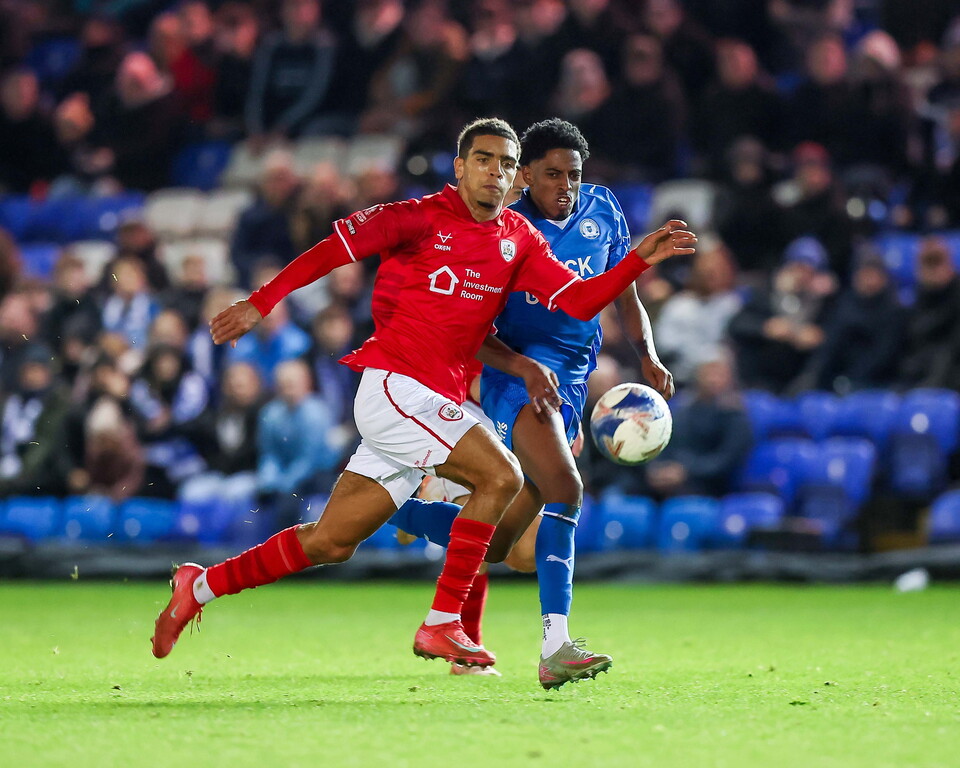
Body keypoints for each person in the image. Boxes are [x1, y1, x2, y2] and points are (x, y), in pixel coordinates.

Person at [150, 117, 696, 670]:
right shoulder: (415, 217)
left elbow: (578, 302)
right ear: (460, 167)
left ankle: (199, 586)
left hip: (438, 397)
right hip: (395, 383)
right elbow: (331, 251)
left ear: (515, 179)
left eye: (505, 165)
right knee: (501, 477)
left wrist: (636, 261)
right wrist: (262, 301)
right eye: (484, 160)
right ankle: (442, 624)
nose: (496, 173)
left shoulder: (519, 239)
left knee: (331, 543)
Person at [387, 119, 676, 687]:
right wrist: (518, 366)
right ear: (524, 176)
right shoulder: (501, 230)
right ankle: (556, 646)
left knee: (500, 544)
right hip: (516, 379)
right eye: (550, 175)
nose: (564, 185)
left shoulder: (603, 210)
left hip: (569, 384)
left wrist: (647, 352)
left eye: (573, 174)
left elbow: (623, 292)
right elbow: (468, 326)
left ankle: (395, 505)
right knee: (567, 487)